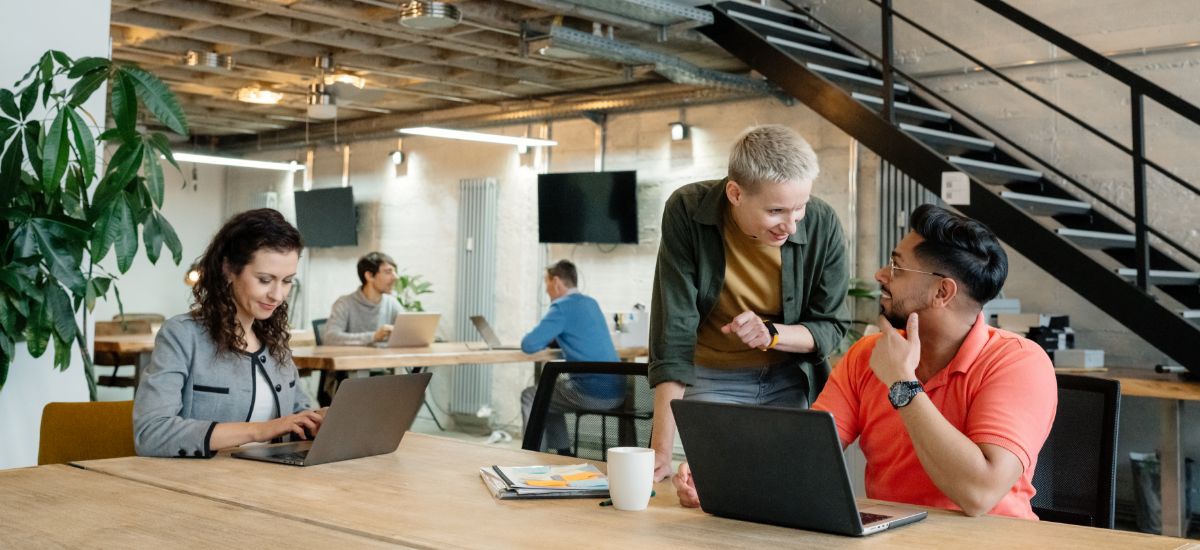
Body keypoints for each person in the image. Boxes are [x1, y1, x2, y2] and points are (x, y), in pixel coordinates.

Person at [674, 205, 1058, 519]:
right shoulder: (867, 354)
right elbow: (802, 455)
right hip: (893, 537)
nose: (880, 275)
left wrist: (902, 385)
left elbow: (979, 495)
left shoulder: (1019, 363)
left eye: (897, 266)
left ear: (943, 291)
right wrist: (723, 477)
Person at [649, 125, 850, 480]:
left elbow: (831, 326)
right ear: (735, 193)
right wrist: (659, 453)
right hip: (712, 376)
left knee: (785, 488)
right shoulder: (687, 210)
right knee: (715, 488)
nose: (790, 225)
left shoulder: (823, 223)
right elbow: (674, 330)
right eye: (776, 211)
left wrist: (772, 334)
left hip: (789, 377)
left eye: (799, 207)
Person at [134, 209, 324, 457]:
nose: (278, 295)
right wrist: (260, 431)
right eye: (265, 280)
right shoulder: (182, 336)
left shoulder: (274, 339)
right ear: (229, 270)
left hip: (272, 482)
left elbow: (297, 416)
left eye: (287, 281)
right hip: (203, 486)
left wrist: (320, 420)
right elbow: (151, 434)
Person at [519, 260, 623, 454]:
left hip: (592, 393)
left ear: (557, 282)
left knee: (532, 396)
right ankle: (564, 454)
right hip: (617, 392)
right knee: (549, 394)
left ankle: (530, 455)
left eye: (547, 283)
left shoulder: (561, 307)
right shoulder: (590, 303)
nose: (547, 290)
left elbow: (529, 344)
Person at [322, 252, 403, 345]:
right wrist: (374, 336)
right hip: (353, 359)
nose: (396, 277)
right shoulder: (344, 304)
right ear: (369, 276)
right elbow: (330, 338)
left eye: (394, 272)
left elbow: (409, 333)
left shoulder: (392, 303)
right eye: (388, 272)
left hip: (383, 358)